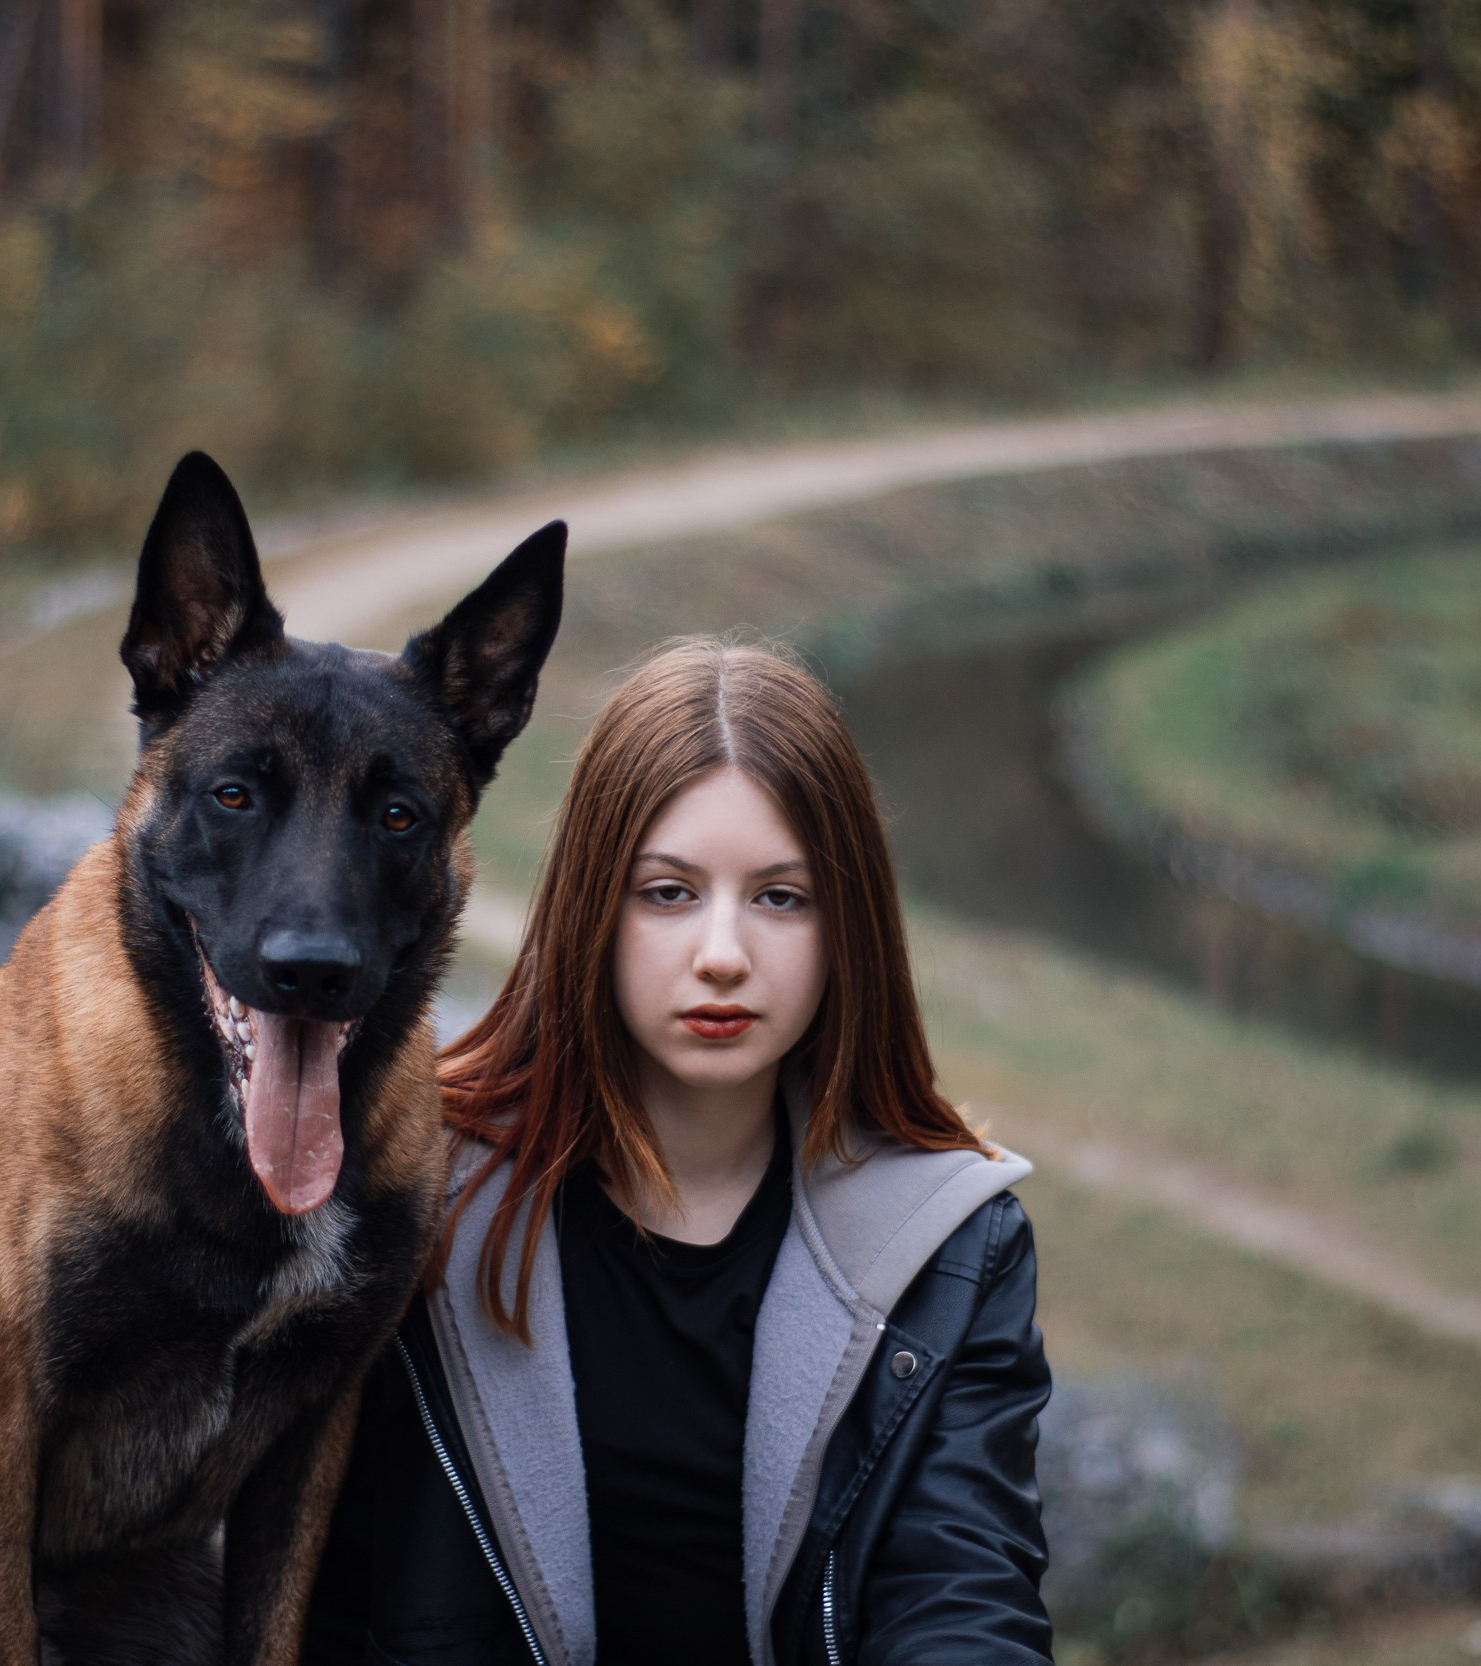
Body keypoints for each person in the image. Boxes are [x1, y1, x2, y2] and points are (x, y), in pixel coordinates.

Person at [303, 639, 1053, 1666]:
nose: (722, 955)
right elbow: (317, 1596)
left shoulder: (953, 1246)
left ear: (850, 927)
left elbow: (963, 1594)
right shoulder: (410, 1193)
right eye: (667, 892)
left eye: (781, 897)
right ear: (589, 908)